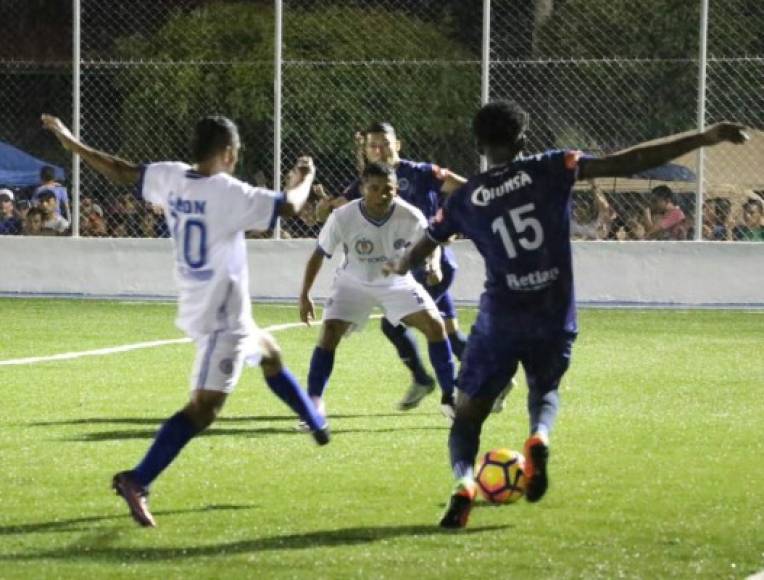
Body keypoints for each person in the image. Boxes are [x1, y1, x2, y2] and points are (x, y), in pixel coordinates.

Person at [387, 100, 748, 528]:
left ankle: (464, 483)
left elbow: (426, 242)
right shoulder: (551, 167)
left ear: (479, 145)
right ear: (522, 139)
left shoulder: (467, 198)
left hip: (500, 318)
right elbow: (630, 161)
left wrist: (406, 263)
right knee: (544, 390)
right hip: (552, 311)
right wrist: (703, 137)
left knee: (467, 416)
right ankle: (539, 435)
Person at [41, 113, 329, 528]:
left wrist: (70, 141)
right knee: (204, 409)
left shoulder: (171, 177)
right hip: (220, 318)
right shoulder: (229, 192)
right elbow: (293, 205)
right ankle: (137, 479)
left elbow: (119, 170)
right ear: (229, 153)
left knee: (270, 353)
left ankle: (316, 421)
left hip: (216, 305)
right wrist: (303, 175)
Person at [316, 123, 489, 412]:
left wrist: (455, 219)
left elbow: (467, 189)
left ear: (399, 144)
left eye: (384, 143)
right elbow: (335, 212)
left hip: (432, 265)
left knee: (395, 324)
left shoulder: (422, 172)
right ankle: (485, 375)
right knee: (447, 330)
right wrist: (322, 209)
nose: (379, 149)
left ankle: (428, 379)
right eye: (372, 145)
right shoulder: (367, 181)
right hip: (403, 269)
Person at [298, 162, 457, 427]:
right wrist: (304, 294)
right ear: (362, 188)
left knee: (435, 326)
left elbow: (432, 242)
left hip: (396, 282)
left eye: (389, 189)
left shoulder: (411, 215)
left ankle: (450, 398)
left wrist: (433, 264)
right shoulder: (343, 216)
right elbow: (318, 254)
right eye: (375, 188)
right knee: (329, 333)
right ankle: (314, 405)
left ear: (396, 190)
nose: (383, 194)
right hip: (352, 282)